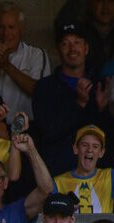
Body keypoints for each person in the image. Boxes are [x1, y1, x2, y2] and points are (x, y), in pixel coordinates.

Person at [32, 22, 108, 178]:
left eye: (77, 43)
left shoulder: (100, 84)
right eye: (66, 44)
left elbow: (105, 136)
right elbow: (49, 131)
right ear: (57, 50)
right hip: (59, 175)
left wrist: (103, 110)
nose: (72, 49)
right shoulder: (44, 87)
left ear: (86, 48)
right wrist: (79, 104)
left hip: (97, 178)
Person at [0, 1, 51, 122]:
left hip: (25, 128)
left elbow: (40, 93)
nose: (6, 33)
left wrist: (7, 66)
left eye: (11, 27)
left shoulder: (36, 55)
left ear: (21, 29)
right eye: (1, 27)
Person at [54, 124, 113, 213]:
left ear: (101, 152)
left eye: (95, 146)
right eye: (85, 145)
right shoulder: (58, 182)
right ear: (75, 149)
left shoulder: (110, 176)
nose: (90, 150)